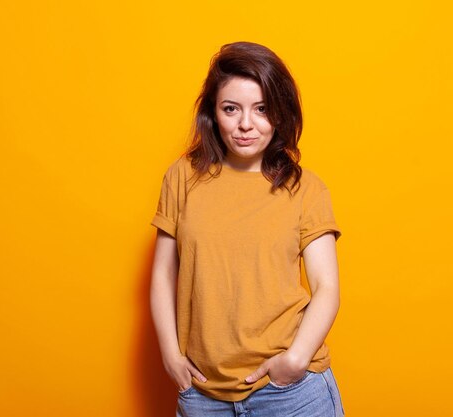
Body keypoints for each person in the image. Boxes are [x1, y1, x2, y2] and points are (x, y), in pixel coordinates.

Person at [150, 41, 346, 417]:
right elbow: (162, 274)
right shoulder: (183, 177)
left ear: (280, 114)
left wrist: (295, 361)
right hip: (203, 394)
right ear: (213, 112)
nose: (245, 124)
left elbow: (327, 287)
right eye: (231, 109)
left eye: (261, 110)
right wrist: (171, 356)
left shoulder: (306, 188)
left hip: (290, 392)